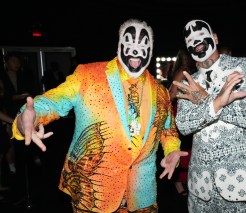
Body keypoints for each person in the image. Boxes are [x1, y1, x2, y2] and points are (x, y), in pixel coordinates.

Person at [11, 18, 188, 213]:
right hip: (92, 194)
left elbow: (168, 129)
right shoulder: (88, 75)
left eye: (142, 44)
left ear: (151, 48)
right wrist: (27, 118)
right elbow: (53, 101)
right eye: (129, 42)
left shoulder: (161, 92)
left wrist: (172, 150)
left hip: (141, 196)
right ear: (119, 45)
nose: (135, 50)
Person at [173, 19, 246, 212]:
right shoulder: (189, 82)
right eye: (190, 39)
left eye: (200, 35)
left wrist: (205, 100)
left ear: (215, 38)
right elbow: (183, 125)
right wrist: (215, 104)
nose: (196, 41)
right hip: (201, 188)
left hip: (242, 183)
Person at [167, 46, 196, 200]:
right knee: (183, 145)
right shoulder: (182, 71)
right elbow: (171, 94)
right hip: (180, 110)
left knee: (188, 147)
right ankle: (178, 182)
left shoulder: (193, 70)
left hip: (188, 111)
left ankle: (185, 181)